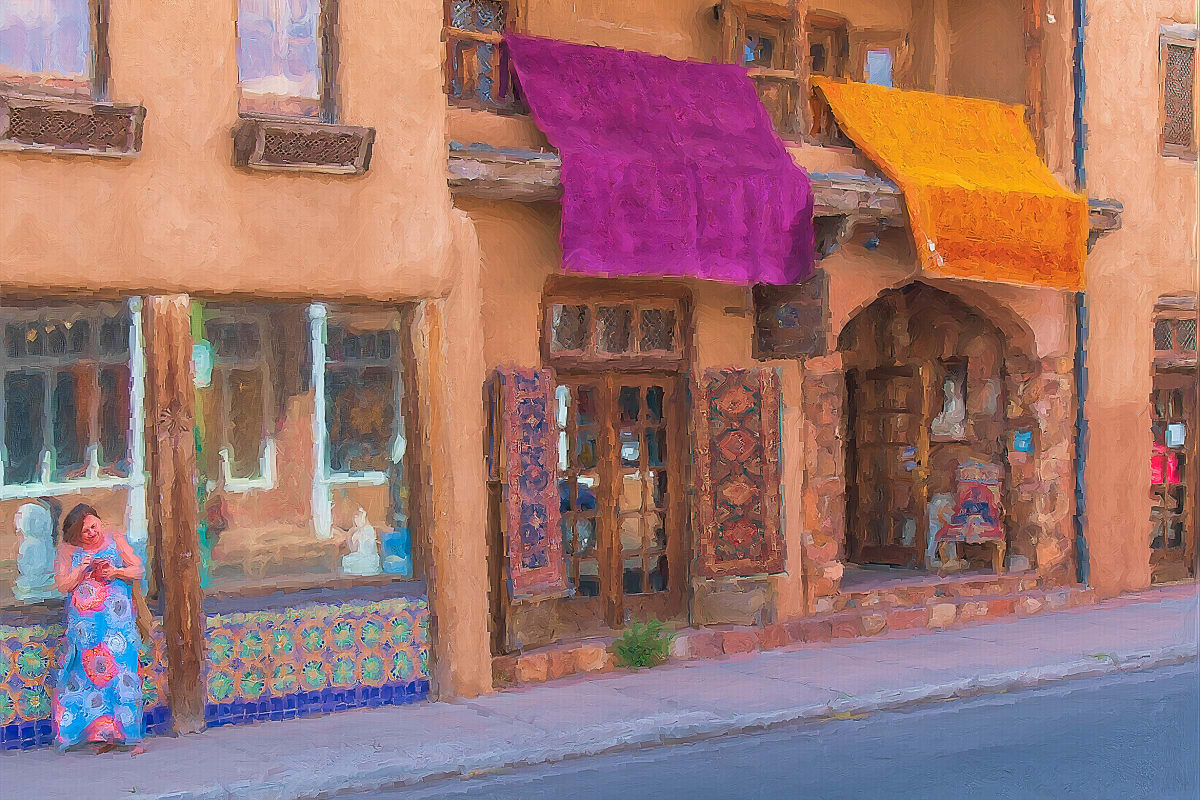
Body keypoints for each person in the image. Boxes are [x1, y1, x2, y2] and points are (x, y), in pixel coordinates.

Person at [52, 503, 146, 755]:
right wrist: (81, 569)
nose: (92, 533)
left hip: (117, 626)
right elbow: (62, 585)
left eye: (94, 526)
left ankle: (126, 733)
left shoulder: (115, 539)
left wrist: (116, 571)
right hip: (86, 629)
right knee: (84, 675)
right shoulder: (68, 550)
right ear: (76, 533)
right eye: (85, 531)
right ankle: (92, 733)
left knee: (122, 673)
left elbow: (137, 570)